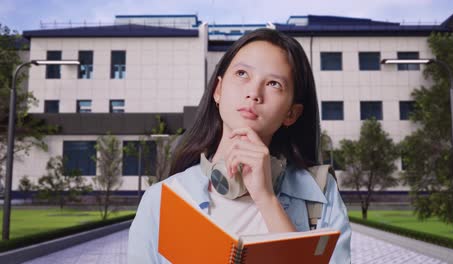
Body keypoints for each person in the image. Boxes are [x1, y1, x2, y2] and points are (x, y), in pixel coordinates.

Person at [128, 28, 351, 263]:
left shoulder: (320, 195)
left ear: (291, 113)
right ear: (218, 90)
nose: (253, 93)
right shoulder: (163, 200)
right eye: (242, 73)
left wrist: (266, 198)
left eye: (274, 84)